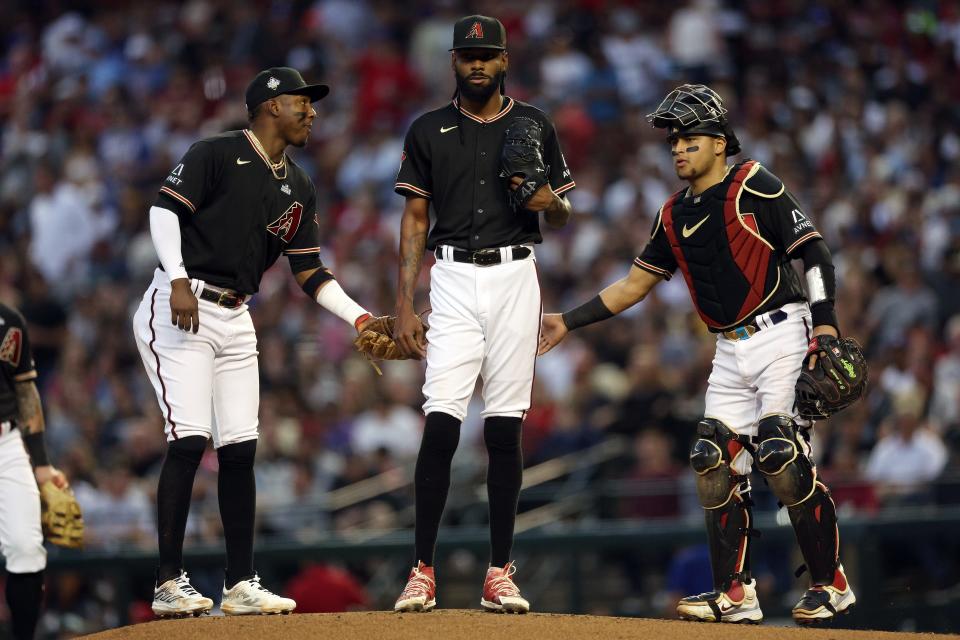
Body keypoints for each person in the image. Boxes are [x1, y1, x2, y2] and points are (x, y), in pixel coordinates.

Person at [538, 84, 856, 625]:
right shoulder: (671, 214)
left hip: (783, 332)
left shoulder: (753, 182)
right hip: (729, 347)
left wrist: (824, 327)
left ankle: (831, 582)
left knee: (780, 455)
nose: (678, 147)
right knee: (711, 457)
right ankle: (735, 591)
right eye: (673, 140)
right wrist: (568, 320)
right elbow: (634, 286)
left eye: (688, 137)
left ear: (718, 142)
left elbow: (814, 251)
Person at [132, 67, 376, 617]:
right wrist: (175, 277)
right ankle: (167, 582)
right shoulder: (216, 152)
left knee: (240, 450)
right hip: (183, 302)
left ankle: (240, 582)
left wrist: (360, 318)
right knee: (190, 439)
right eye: (302, 103)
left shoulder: (300, 184)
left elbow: (309, 270)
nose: (312, 112)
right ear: (271, 106)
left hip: (237, 314)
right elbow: (163, 210)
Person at [391, 15, 575, 614]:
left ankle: (499, 571)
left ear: (504, 60)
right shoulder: (428, 130)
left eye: (487, 54)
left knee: (504, 426)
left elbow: (562, 211)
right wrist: (402, 300)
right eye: (467, 54)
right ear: (453, 61)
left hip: (516, 274)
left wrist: (555, 205)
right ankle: (422, 568)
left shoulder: (533, 124)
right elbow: (415, 217)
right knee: (441, 419)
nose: (477, 63)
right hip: (450, 277)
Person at [0, 302, 71, 639]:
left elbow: (26, 391)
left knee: (27, 548)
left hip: (6, 441)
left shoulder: (10, 322)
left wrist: (41, 464)